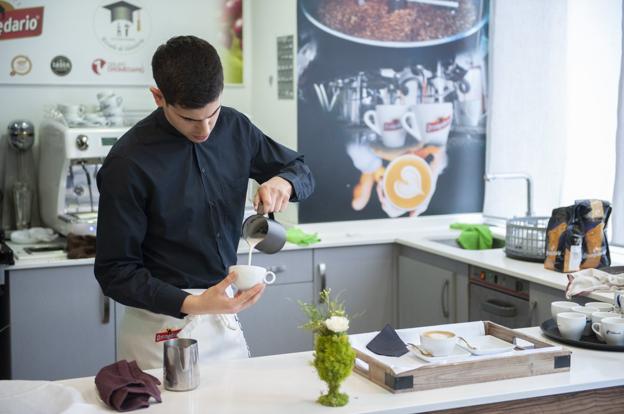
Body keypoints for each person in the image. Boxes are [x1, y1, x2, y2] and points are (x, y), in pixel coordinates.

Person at [94, 35, 314, 369]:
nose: (205, 129)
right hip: (160, 327)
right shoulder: (128, 162)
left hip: (223, 317)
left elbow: (301, 169)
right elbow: (115, 272)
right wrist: (195, 303)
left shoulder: (235, 127)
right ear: (159, 97)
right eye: (190, 119)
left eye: (212, 114)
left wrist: (284, 181)